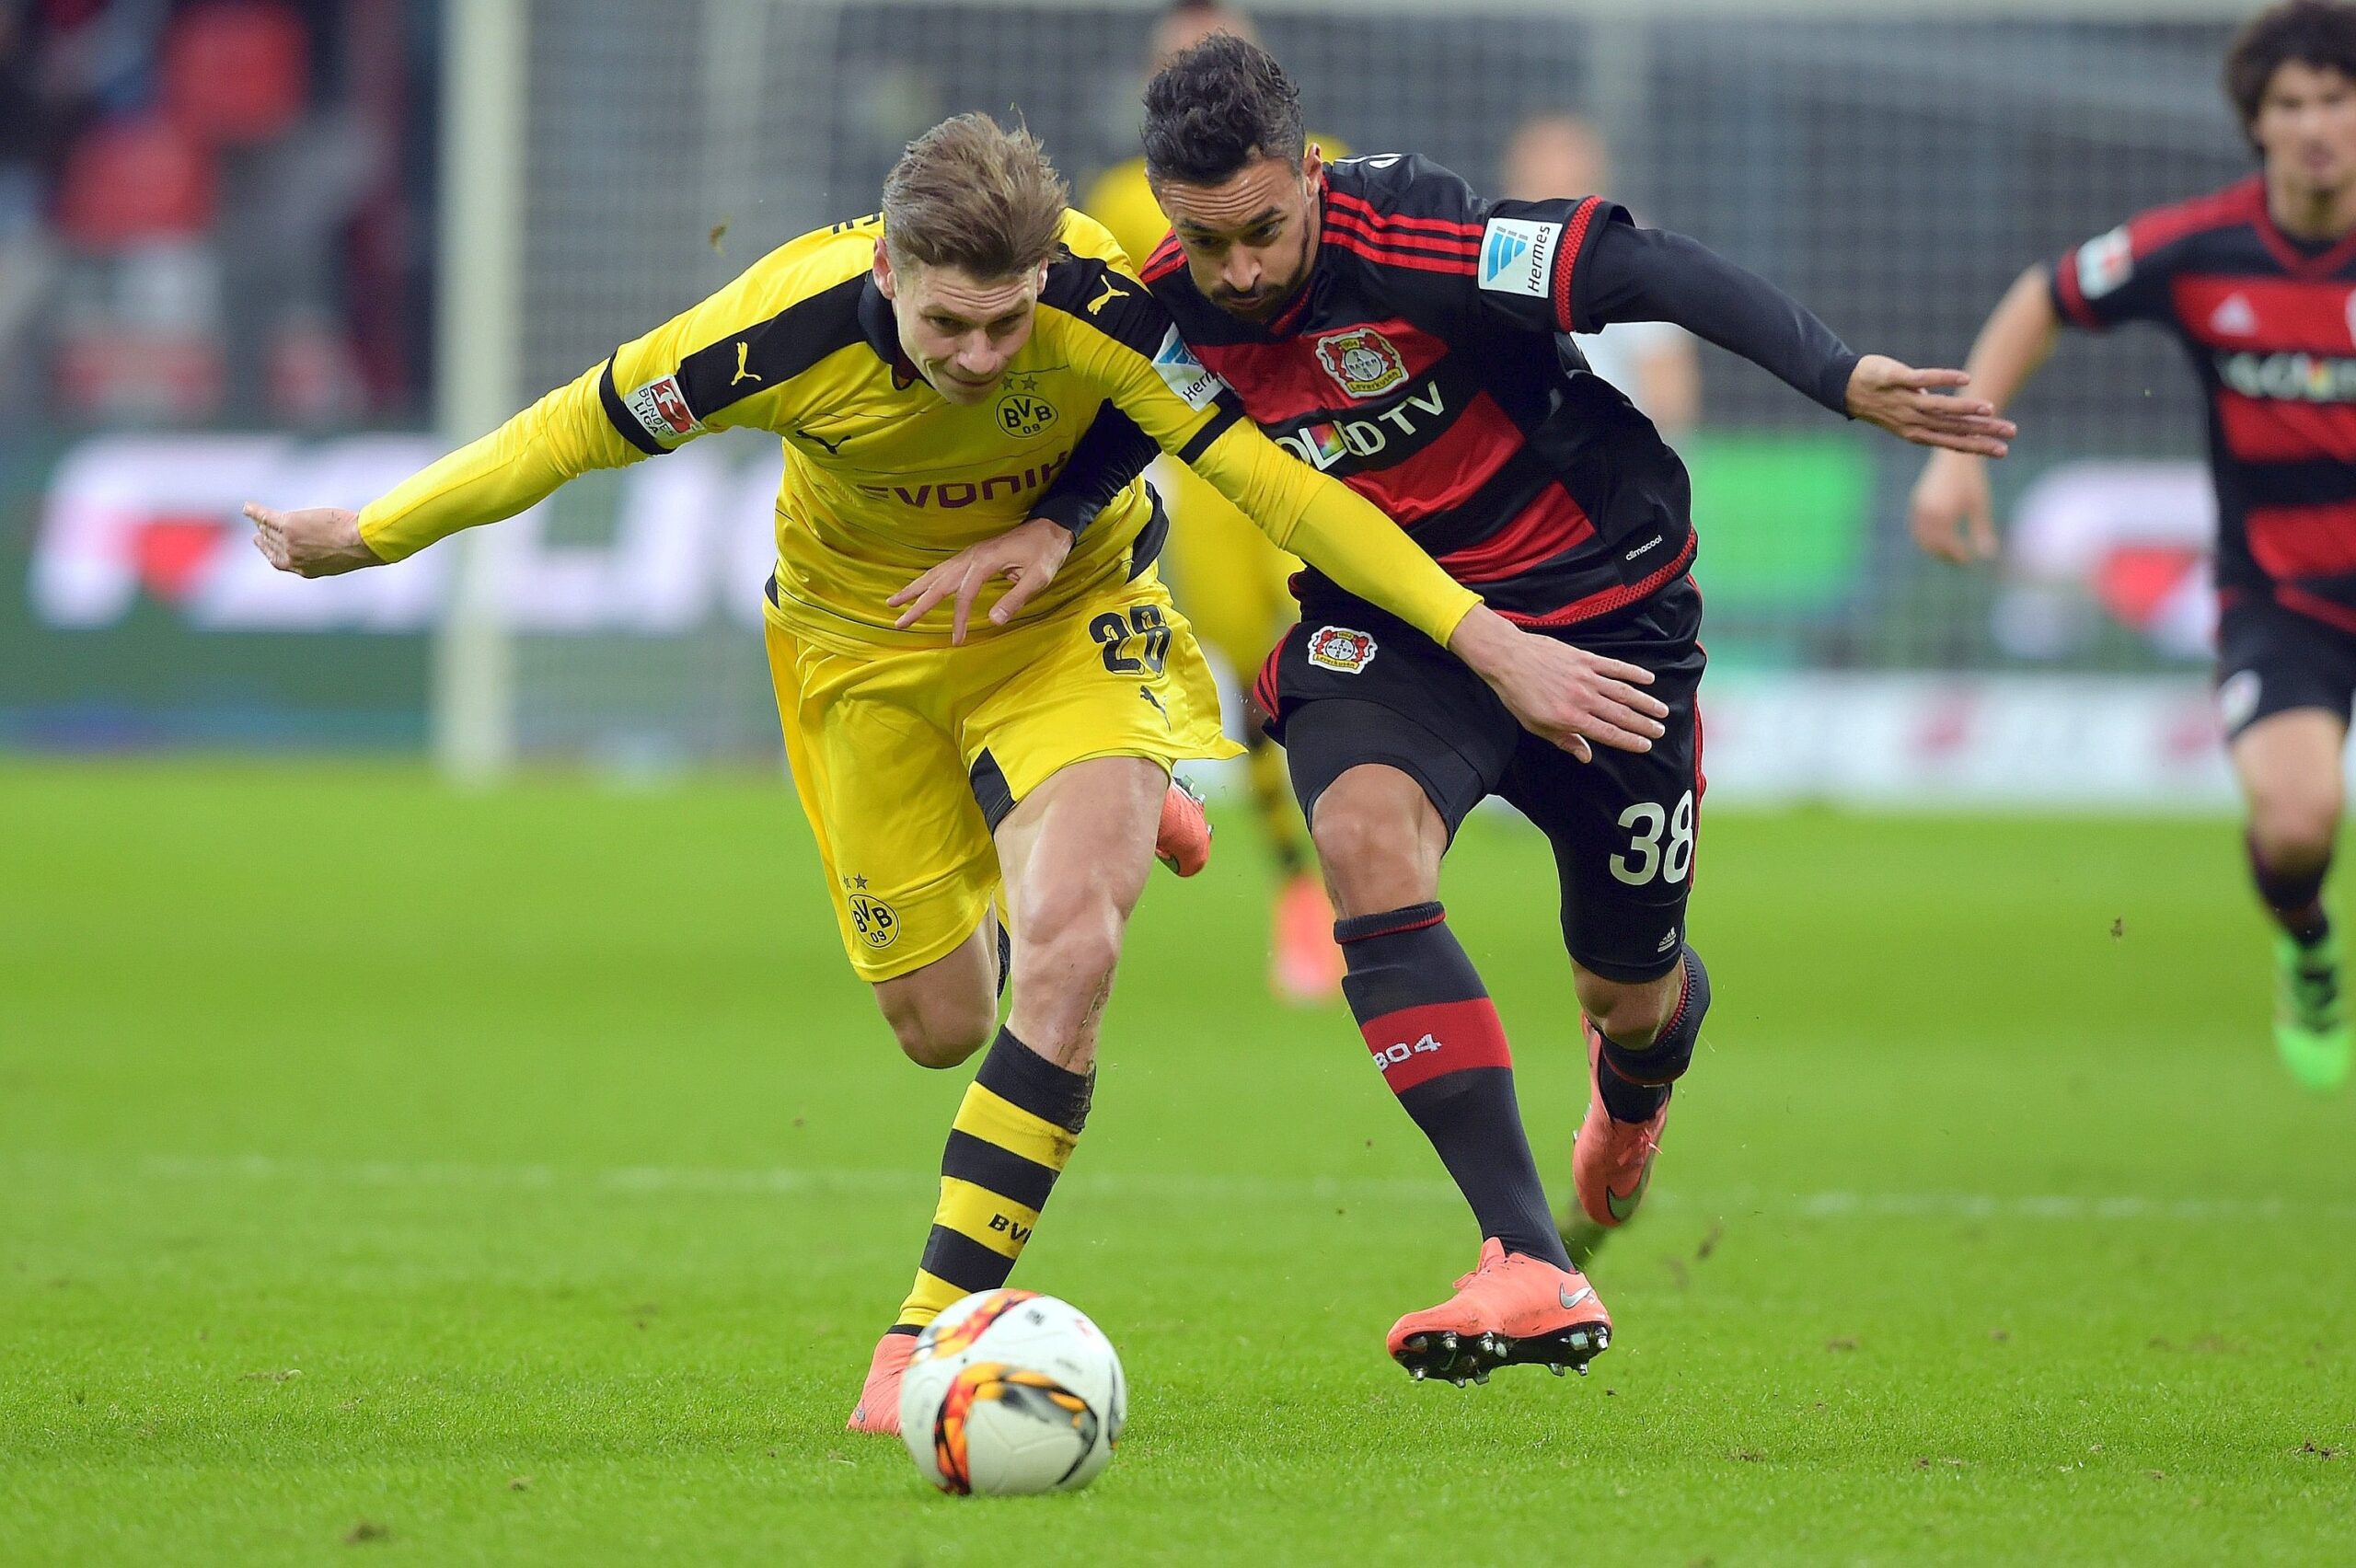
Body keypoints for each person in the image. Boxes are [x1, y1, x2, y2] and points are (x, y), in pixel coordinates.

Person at [243, 114, 1665, 1430]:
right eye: (948, 324)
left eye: (1007, 320)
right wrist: (371, 533)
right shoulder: (777, 327)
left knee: (1072, 951)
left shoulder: (1103, 305)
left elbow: (1277, 486)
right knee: (938, 1023)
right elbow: (566, 430)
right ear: (888, 261)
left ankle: (922, 1331)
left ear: (1046, 270)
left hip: (1068, 628)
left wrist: (1480, 637)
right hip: (860, 658)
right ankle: (1071, 810)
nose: (984, 356)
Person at [1107, 35, 2011, 1383]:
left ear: (1308, 171)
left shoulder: (1419, 235)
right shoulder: (1174, 303)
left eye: (1261, 231)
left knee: (1627, 991)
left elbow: (1646, 268)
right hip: (1404, 628)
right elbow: (1093, 430)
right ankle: (1526, 1257)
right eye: (1206, 241)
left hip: (1606, 614)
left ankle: (1635, 1090)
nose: (1239, 270)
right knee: (1361, 840)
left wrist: (1839, 376)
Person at [1912, 0, 2356, 1095]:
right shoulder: (2200, 249)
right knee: (2298, 825)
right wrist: (1957, 449)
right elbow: (2045, 295)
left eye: (2336, 100)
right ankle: (2306, 946)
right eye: (2288, 104)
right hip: (2285, 599)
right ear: (2254, 124)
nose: (2314, 125)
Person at [1084, 0, 1357, 1002]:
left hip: (1325, 458)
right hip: (1210, 478)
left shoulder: (1320, 167)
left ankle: (1370, 871)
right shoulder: (1118, 200)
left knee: (1350, 652)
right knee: (1254, 672)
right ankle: (1303, 891)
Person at [1500, 111, 1701, 437]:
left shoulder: (1629, 247)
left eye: (1568, 157)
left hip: (1605, 455)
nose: (1557, 171)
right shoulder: (1487, 249)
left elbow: (1666, 382)